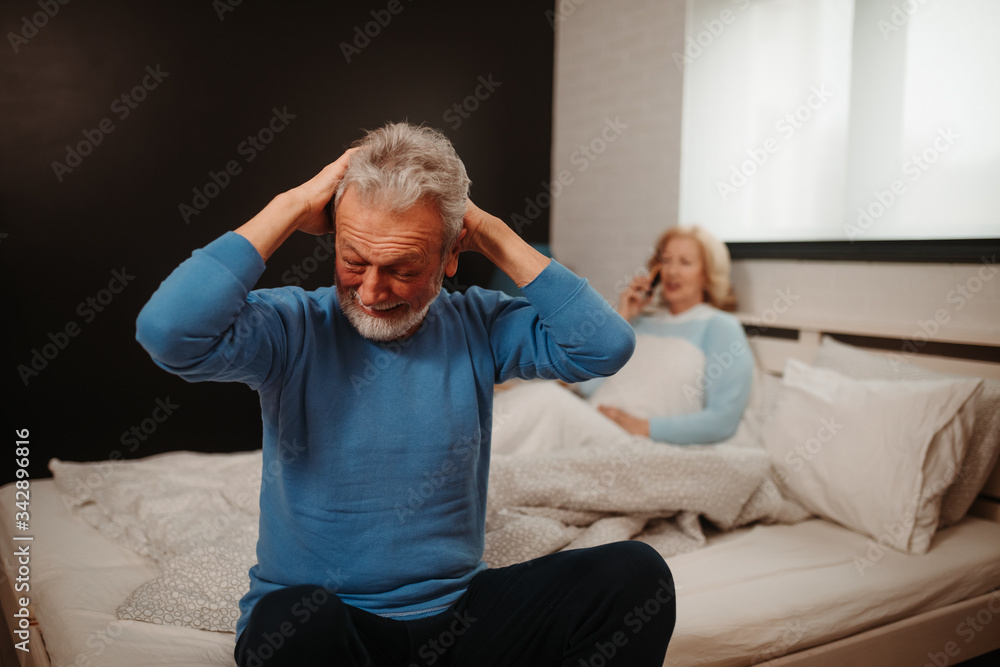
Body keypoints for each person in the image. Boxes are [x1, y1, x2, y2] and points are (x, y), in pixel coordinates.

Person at [135, 122, 675, 666]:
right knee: (292, 620)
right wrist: (292, 205)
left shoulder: (478, 324)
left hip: (457, 619)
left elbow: (604, 347)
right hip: (330, 625)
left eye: (402, 268)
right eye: (354, 260)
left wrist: (487, 229)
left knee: (635, 575)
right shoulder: (291, 326)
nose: (371, 292)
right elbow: (169, 332)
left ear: (449, 258)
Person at [491, 225, 753, 455]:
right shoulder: (640, 323)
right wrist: (624, 316)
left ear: (707, 274)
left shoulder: (720, 327)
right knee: (529, 399)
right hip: (594, 421)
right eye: (666, 261)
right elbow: (586, 387)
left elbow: (723, 419)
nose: (672, 271)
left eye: (685, 262)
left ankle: (457, 473)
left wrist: (642, 427)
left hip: (635, 442)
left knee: (545, 398)